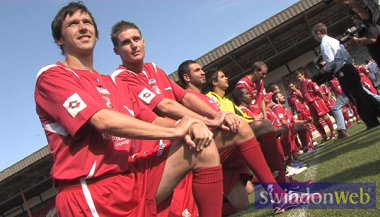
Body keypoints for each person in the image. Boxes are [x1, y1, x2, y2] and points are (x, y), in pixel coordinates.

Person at [34, 2, 224, 216]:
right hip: (94, 190)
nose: (83, 27)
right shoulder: (52, 76)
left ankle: (271, 194)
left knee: (208, 144)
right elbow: (103, 120)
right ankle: (268, 192)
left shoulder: (117, 82)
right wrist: (180, 129)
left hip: (132, 176)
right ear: (59, 39)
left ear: (96, 35)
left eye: (87, 22)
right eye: (73, 23)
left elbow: (152, 120)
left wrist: (194, 125)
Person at [110, 21, 320, 215]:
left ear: (144, 41)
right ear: (116, 50)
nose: (134, 45)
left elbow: (183, 97)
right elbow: (164, 105)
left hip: (192, 137)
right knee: (238, 197)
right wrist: (210, 121)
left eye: (136, 39)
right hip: (167, 148)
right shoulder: (121, 78)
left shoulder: (154, 69)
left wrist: (218, 114)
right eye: (126, 43)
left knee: (251, 128)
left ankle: (279, 190)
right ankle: (276, 190)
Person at [312, 22, 380, 129]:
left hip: (343, 72)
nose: (314, 38)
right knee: (362, 94)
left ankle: (371, 121)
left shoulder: (324, 44)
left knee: (356, 97)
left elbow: (331, 62)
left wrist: (322, 71)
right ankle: (377, 112)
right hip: (349, 68)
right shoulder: (333, 40)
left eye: (314, 35)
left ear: (318, 33)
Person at [294, 69, 336, 142]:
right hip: (310, 104)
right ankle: (324, 136)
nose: (298, 78)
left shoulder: (310, 82)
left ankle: (333, 132)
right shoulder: (301, 85)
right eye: (297, 77)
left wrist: (323, 100)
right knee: (315, 121)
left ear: (303, 75)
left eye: (299, 76)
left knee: (324, 117)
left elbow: (318, 92)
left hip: (316, 101)